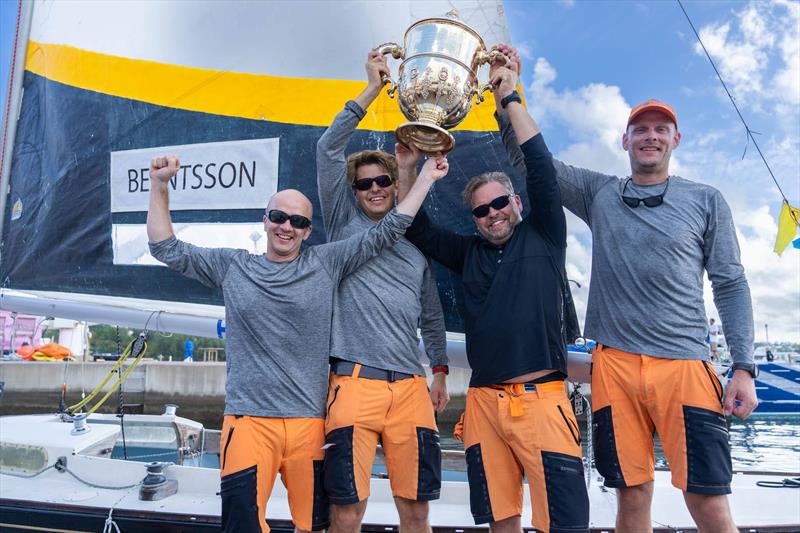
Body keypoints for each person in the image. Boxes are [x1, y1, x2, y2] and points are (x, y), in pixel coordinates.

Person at [493, 45, 758, 533]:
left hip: (684, 366)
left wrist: (743, 367)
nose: (650, 136)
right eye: (641, 129)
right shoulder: (601, 193)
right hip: (613, 366)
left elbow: (730, 283)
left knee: (708, 501)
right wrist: (506, 93)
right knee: (631, 496)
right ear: (625, 140)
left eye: (660, 129)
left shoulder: (706, 199)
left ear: (676, 139)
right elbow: (532, 162)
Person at [146, 153, 448, 533]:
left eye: (299, 221)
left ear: (308, 231)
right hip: (248, 422)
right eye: (279, 217)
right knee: (242, 526)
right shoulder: (234, 266)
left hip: (309, 424)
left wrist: (424, 179)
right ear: (266, 220)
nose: (286, 227)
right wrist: (159, 186)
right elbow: (164, 247)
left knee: (315, 526)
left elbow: (386, 232)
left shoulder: (326, 263)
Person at [400, 64, 589, 533]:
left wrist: (509, 97)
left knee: (563, 524)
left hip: (543, 401)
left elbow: (541, 167)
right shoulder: (468, 253)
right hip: (483, 406)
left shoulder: (545, 234)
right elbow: (416, 227)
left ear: (517, 204)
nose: (492, 215)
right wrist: (407, 168)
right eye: (481, 210)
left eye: (499, 204)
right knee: (500, 521)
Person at [316, 51, 449, 533]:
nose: (374, 188)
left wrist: (438, 370)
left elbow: (431, 316)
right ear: (353, 191)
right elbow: (327, 151)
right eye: (364, 183)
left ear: (396, 186)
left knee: (416, 510)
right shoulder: (340, 225)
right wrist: (371, 90)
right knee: (347, 510)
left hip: (412, 390)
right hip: (352, 384)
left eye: (383, 181)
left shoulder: (415, 246)